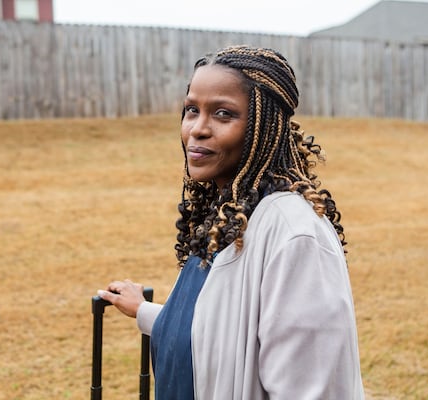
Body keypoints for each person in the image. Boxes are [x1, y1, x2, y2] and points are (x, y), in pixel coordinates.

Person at [98, 45, 365, 399]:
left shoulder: (295, 235)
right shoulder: (228, 217)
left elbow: (310, 389)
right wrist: (146, 312)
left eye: (223, 114)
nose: (198, 129)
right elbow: (218, 334)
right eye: (192, 110)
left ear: (263, 126)